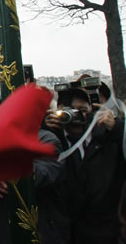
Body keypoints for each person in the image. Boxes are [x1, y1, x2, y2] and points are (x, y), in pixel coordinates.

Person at [43, 86, 125, 243]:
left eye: (82, 110)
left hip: (106, 231)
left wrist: (117, 129)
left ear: (93, 110)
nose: (76, 116)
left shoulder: (107, 138)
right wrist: (46, 129)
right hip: (66, 231)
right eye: (69, 111)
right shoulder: (52, 140)